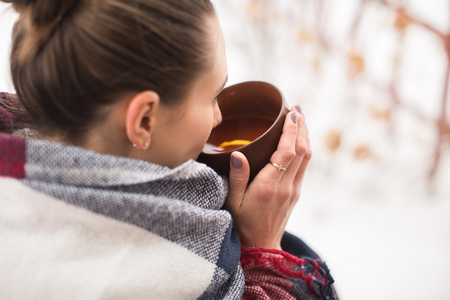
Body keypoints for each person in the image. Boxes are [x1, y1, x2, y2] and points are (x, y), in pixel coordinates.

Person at [0, 0, 337, 299]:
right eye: (211, 97)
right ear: (144, 120)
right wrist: (263, 247)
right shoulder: (166, 274)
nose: (219, 116)